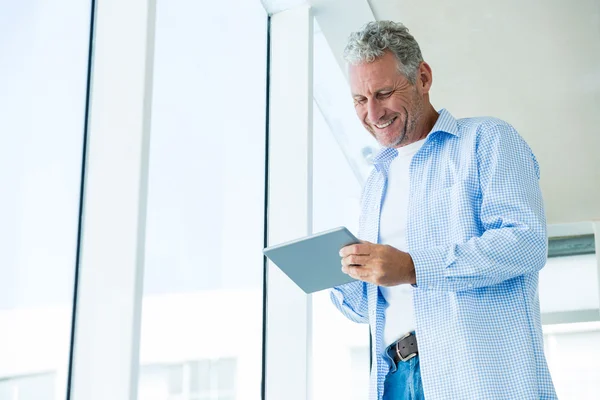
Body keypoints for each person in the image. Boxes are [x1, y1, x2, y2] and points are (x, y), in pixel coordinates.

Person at [332, 21, 557, 400]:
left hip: (477, 377)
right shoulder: (375, 182)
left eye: (384, 93)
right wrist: (345, 273)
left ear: (422, 77)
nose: (373, 112)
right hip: (395, 377)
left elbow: (526, 242)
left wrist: (413, 267)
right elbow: (366, 309)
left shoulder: (487, 140)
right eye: (359, 100)